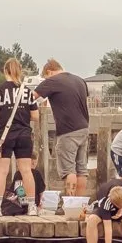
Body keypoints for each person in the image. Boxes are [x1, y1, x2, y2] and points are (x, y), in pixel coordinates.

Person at [0, 58, 40, 214]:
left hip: (4, 135)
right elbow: (35, 116)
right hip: (24, 135)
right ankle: (32, 206)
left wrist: (4, 113)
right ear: (20, 71)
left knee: (2, 171)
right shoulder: (27, 91)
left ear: (5, 71)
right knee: (26, 171)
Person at [34, 58, 92, 197]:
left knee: (68, 170)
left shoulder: (52, 81)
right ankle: (80, 204)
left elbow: (31, 97)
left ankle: (70, 202)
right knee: (81, 170)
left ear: (49, 71)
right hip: (84, 128)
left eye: (45, 76)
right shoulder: (80, 80)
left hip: (68, 130)